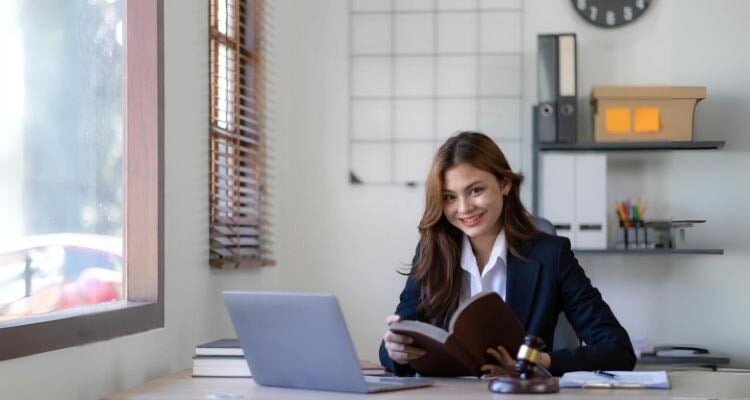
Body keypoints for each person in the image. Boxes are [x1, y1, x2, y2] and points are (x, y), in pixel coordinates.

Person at [379, 131, 636, 377]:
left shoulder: (552, 255)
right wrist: (397, 352)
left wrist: (536, 361)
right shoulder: (432, 251)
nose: (464, 208)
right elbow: (393, 345)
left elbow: (618, 351)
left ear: (505, 184)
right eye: (449, 197)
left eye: (475, 190)